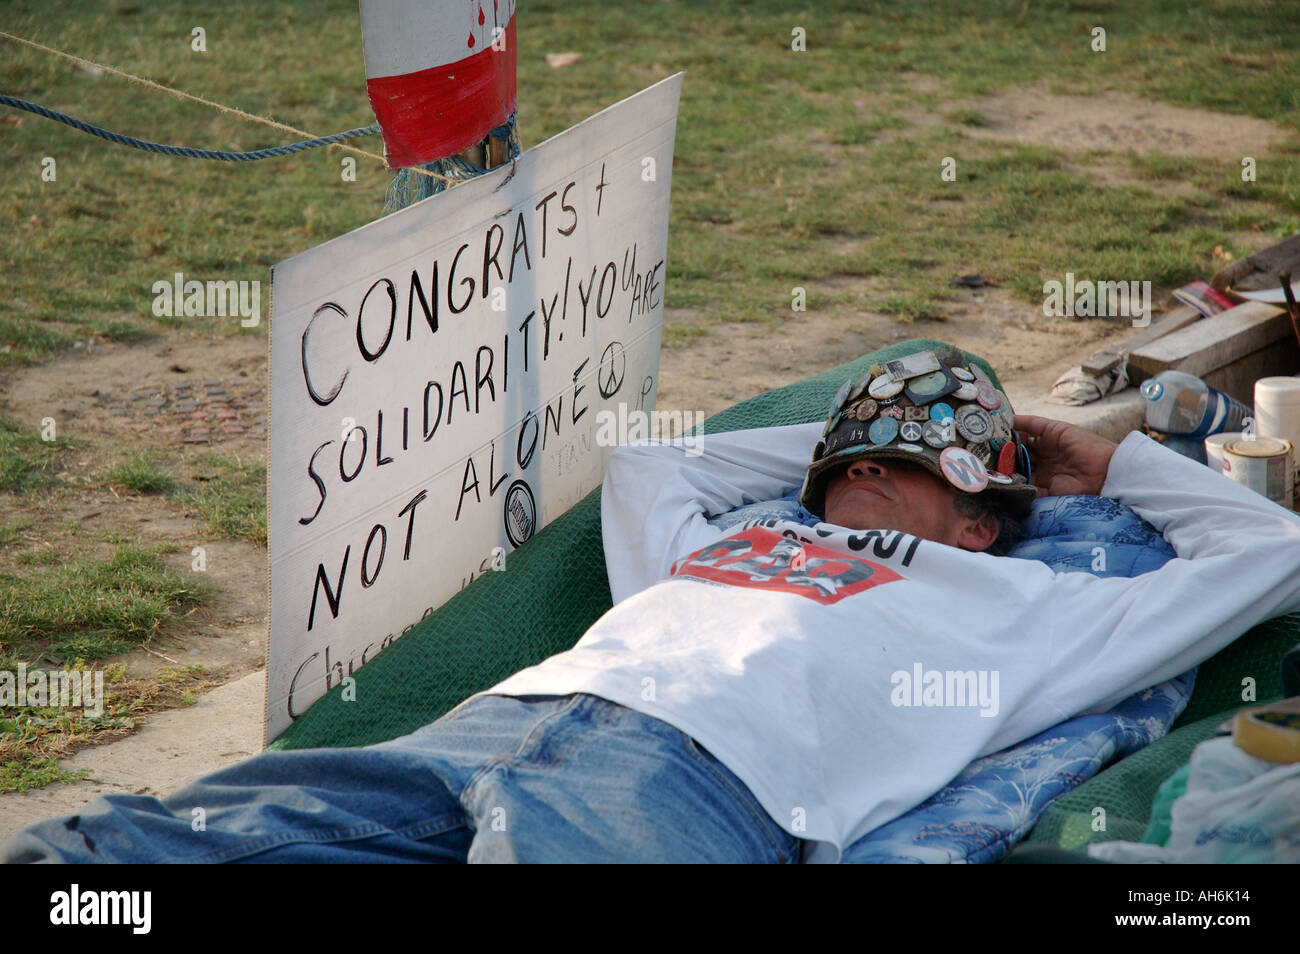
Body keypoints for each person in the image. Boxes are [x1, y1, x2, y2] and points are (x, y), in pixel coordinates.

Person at [5, 347, 1299, 864]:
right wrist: (849, 438)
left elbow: (1268, 552)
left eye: (900, 467)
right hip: (498, 723)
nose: (860, 475)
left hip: (697, 791)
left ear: (981, 513)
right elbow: (650, 460)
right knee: (126, 860)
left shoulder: (1037, 608)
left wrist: (1093, 454)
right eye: (849, 461)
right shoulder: (730, 535)